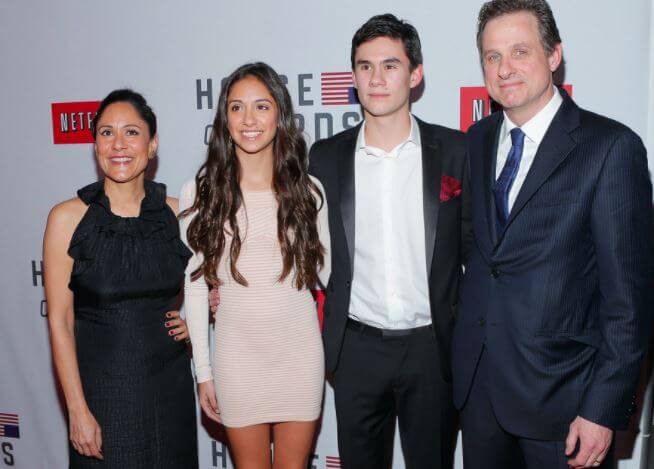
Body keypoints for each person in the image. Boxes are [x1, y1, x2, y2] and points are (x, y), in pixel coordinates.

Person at [452, 1, 654, 468]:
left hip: (565, 404)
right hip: (481, 395)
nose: (505, 69)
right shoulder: (478, 139)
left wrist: (602, 409)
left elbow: (629, 301)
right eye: (492, 56)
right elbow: (485, 257)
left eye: (520, 51)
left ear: (554, 54)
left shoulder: (610, 148)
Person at [308, 14, 470, 469]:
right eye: (364, 66)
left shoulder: (455, 151)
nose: (376, 79)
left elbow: (477, 254)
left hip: (432, 347)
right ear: (353, 76)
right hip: (356, 348)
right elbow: (300, 247)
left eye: (390, 65)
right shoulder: (324, 158)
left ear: (415, 75)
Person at [180, 62, 330, 469]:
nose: (249, 120)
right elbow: (194, 287)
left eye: (261, 107)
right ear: (223, 118)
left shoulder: (308, 191)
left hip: (299, 355)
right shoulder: (202, 190)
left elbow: (329, 276)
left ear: (280, 115)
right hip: (237, 360)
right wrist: (204, 373)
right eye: (236, 107)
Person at [44, 89, 198, 468]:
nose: (118, 144)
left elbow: (228, 283)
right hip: (102, 399)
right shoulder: (66, 219)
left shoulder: (180, 215)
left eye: (131, 132)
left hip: (170, 394)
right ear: (95, 143)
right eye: (106, 132)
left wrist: (199, 316)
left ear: (152, 143)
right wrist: (77, 410)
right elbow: (61, 321)